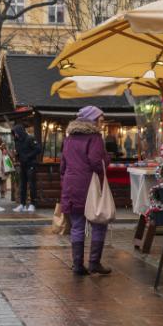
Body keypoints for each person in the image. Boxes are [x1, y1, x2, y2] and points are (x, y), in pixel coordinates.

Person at [60, 106, 111, 276]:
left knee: (77, 225)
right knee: (99, 222)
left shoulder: (68, 138)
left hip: (70, 184)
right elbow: (96, 161)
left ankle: (77, 265)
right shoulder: (95, 138)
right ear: (91, 120)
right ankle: (94, 263)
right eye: (100, 120)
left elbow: (63, 166)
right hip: (89, 184)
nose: (102, 123)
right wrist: (106, 160)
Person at [11, 124, 41, 212]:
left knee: (32, 185)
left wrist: (28, 156)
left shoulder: (30, 138)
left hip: (31, 164)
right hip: (22, 165)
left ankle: (32, 204)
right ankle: (22, 204)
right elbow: (19, 152)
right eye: (14, 133)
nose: (15, 135)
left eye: (16, 133)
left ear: (20, 131)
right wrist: (17, 155)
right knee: (22, 185)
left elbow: (38, 149)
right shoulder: (17, 141)